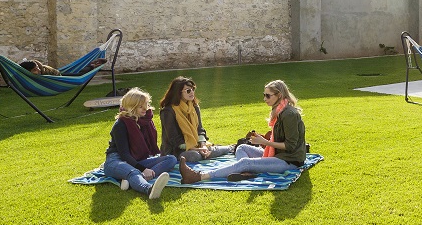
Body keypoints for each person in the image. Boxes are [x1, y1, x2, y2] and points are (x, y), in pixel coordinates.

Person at [179, 79, 307, 183]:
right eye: (264, 95)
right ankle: (246, 173)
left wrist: (265, 142)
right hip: (277, 155)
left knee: (245, 162)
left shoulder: (288, 114)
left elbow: (290, 146)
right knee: (241, 148)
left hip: (289, 160)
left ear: (279, 95)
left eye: (268, 95)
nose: (264, 99)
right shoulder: (279, 110)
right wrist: (263, 141)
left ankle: (200, 176)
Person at [101, 88, 177, 200]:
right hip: (116, 160)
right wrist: (143, 169)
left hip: (135, 159)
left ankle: (135, 179)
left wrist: (143, 169)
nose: (145, 109)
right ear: (132, 106)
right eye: (141, 106)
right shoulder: (120, 124)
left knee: (171, 159)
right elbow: (124, 155)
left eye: (146, 105)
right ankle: (149, 189)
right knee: (134, 172)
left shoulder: (145, 121)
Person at [158, 76, 232, 164]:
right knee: (195, 156)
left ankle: (231, 148)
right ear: (178, 92)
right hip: (175, 150)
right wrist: (197, 149)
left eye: (193, 89)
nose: (192, 92)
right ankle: (221, 150)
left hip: (196, 146)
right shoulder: (168, 111)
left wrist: (203, 146)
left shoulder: (194, 107)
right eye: (188, 90)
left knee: (204, 152)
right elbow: (174, 140)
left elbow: (200, 130)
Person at [19, 56, 107, 76]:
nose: (38, 70)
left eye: (37, 68)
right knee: (76, 72)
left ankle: (92, 65)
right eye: (35, 70)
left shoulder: (43, 75)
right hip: (58, 73)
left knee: (78, 75)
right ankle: (91, 64)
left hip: (59, 76)